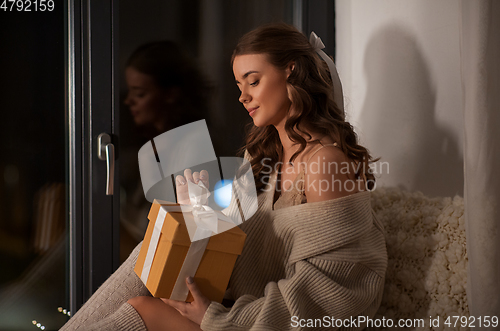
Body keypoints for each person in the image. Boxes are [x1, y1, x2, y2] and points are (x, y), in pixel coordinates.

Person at [60, 23, 387, 331]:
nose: (243, 96)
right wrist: (196, 214)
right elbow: (232, 247)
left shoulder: (326, 164)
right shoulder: (262, 159)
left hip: (254, 322)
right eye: (239, 85)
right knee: (154, 249)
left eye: (254, 81)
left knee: (144, 309)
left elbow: (333, 301)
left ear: (293, 72)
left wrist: (220, 317)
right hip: (238, 312)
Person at [120, 41, 212, 261]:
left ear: (170, 94)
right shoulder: (154, 146)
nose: (128, 101)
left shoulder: (194, 148)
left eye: (140, 94)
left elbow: (180, 236)